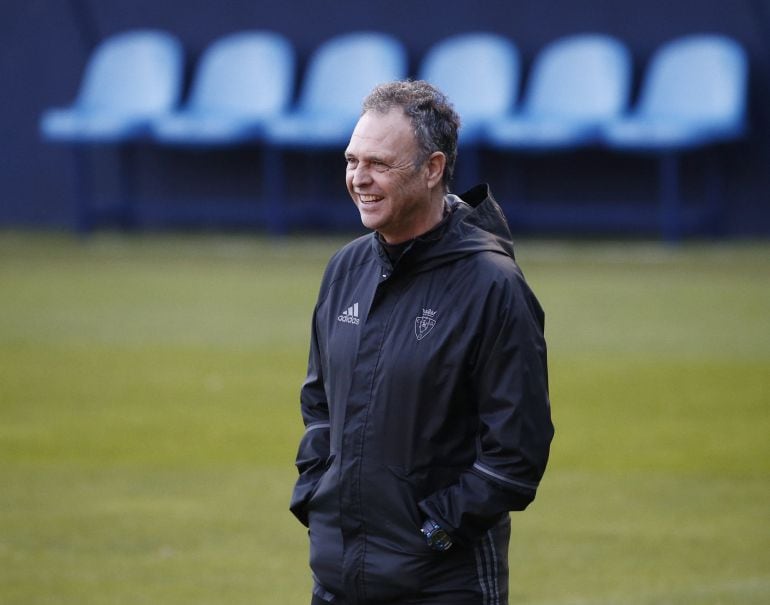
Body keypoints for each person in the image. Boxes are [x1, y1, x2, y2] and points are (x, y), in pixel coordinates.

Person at [290, 80, 554, 605]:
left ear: (433, 169)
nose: (359, 179)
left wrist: (436, 531)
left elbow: (516, 451)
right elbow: (319, 404)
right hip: (338, 579)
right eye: (351, 161)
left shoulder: (492, 286)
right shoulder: (345, 268)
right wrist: (317, 496)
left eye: (379, 164)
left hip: (442, 585)